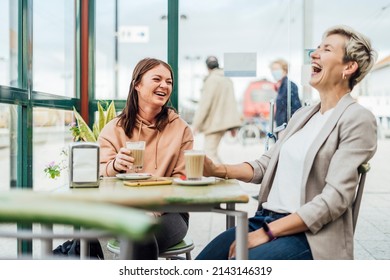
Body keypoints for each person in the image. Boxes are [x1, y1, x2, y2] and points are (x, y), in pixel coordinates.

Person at [196, 25, 377, 260]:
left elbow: (335, 199)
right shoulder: (303, 115)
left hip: (310, 235)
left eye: (326, 49)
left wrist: (268, 233)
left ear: (349, 67)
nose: (314, 53)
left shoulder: (357, 118)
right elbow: (265, 164)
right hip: (265, 219)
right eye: (318, 47)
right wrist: (217, 170)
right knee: (205, 260)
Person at [98, 57, 194, 259]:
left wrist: (154, 208)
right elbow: (98, 171)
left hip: (170, 212)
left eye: (169, 82)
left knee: (139, 236)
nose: (164, 86)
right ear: (137, 85)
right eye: (157, 79)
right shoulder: (114, 129)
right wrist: (114, 166)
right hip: (124, 212)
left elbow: (182, 180)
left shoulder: (181, 129)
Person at [192, 56, 242, 163]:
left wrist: (196, 124)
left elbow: (205, 104)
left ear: (207, 67)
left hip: (213, 123)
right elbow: (231, 103)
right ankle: (223, 176)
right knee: (212, 153)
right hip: (224, 123)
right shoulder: (227, 79)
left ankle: (222, 176)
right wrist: (233, 126)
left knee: (209, 155)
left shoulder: (211, 80)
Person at [270, 58, 302, 128]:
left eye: (276, 69)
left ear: (284, 70)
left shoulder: (289, 86)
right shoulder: (280, 87)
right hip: (281, 127)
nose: (273, 72)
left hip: (286, 127)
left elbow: (296, 109)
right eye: (272, 69)